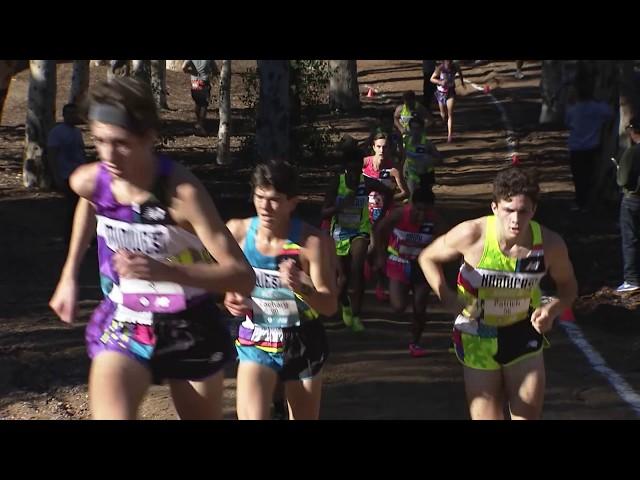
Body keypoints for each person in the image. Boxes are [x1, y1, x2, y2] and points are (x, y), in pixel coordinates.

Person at [49, 78, 255, 420]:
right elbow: (88, 203)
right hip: (127, 317)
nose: (108, 155)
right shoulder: (90, 180)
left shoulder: (181, 194)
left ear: (148, 138)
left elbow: (242, 276)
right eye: (99, 141)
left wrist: (167, 272)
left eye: (121, 143)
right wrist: (69, 274)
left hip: (189, 320)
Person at [418, 167, 577, 419]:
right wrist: (446, 295)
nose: (515, 220)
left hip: (523, 330)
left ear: (533, 211)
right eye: (508, 211)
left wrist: (552, 308)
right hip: (478, 334)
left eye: (523, 211)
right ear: (494, 208)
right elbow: (427, 257)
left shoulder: (549, 245)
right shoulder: (472, 235)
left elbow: (568, 288)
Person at [224, 161, 338, 420]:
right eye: (259, 197)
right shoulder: (237, 232)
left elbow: (330, 305)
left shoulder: (312, 243)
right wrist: (231, 297)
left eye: (274, 200)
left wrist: (303, 285)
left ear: (292, 202)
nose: (265, 207)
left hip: (301, 338)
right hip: (257, 335)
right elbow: (226, 282)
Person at [322, 147, 393, 332]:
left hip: (359, 231)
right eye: (350, 170)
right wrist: (341, 206)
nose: (353, 174)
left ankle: (356, 314)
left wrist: (379, 219)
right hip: (339, 233)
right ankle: (344, 305)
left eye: (356, 170)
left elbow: (389, 192)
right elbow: (324, 212)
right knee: (343, 277)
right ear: (345, 168)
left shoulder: (367, 183)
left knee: (357, 268)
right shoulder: (337, 182)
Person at [374, 186, 440, 357]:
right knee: (398, 306)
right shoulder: (399, 214)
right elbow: (379, 229)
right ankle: (386, 284)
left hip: (422, 266)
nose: (422, 215)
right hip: (398, 262)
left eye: (426, 210)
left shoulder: (436, 221)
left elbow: (448, 241)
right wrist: (381, 255)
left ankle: (415, 342)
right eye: (419, 209)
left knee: (420, 308)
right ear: (412, 205)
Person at [363, 131, 409, 301]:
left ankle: (380, 285)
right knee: (366, 246)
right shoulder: (364, 164)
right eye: (379, 146)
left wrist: (388, 198)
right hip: (365, 212)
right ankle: (367, 265)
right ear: (373, 147)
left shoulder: (393, 169)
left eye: (385, 147)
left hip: (385, 214)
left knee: (382, 250)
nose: (382, 150)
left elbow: (405, 192)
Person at [565, 76, 614, 212]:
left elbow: (567, 122)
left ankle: (580, 201)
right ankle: (587, 202)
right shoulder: (598, 108)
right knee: (590, 174)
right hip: (592, 146)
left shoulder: (573, 109)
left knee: (578, 175)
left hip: (576, 147)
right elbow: (610, 112)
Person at [47, 103, 87, 244]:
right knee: (72, 208)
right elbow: (52, 155)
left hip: (80, 174)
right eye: (69, 114)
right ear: (64, 115)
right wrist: (56, 175)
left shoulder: (76, 132)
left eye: (74, 114)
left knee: (82, 207)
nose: (72, 116)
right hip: (66, 175)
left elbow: (81, 152)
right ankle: (69, 237)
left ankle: (82, 236)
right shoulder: (57, 132)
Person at [615, 117, 640, 293]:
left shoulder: (632, 153)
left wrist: (618, 171)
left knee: (630, 239)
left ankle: (632, 279)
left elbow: (622, 180)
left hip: (634, 199)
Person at [402, 114, 442, 195]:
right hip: (412, 173)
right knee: (413, 196)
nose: (415, 131)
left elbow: (439, 158)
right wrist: (403, 169)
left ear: (422, 129)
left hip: (426, 174)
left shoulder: (427, 143)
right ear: (409, 129)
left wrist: (429, 161)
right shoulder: (405, 142)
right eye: (413, 128)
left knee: (426, 198)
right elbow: (403, 156)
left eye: (417, 128)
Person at [431, 60, 465, 143]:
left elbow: (460, 72)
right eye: (447, 62)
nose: (448, 63)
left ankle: (450, 135)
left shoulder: (455, 67)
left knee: (450, 114)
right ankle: (444, 121)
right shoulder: (440, 68)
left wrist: (462, 82)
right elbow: (432, 79)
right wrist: (440, 82)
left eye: (450, 62)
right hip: (441, 93)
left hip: (450, 92)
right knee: (443, 114)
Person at [182, 60, 215, 136]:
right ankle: (201, 125)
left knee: (197, 103)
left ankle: (198, 122)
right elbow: (215, 70)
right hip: (204, 83)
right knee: (204, 105)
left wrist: (192, 72)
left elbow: (183, 67)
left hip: (195, 83)